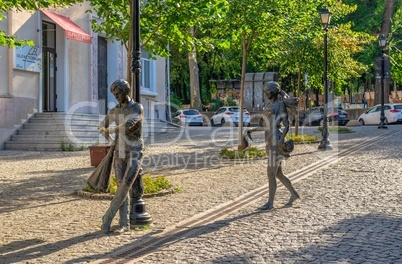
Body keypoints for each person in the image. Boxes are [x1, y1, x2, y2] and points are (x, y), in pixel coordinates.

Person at [242, 81, 299, 210]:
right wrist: (250, 130)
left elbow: (286, 124)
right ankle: (294, 194)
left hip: (276, 140)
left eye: (267, 91)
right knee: (278, 174)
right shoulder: (267, 105)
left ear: (273, 91)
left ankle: (270, 203)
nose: (265, 93)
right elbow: (263, 126)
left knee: (271, 173)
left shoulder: (280, 105)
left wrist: (282, 139)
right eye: (264, 91)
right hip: (268, 140)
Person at [98, 79, 145, 234]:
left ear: (127, 91)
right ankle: (124, 223)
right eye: (114, 94)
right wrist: (110, 139)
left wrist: (111, 131)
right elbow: (101, 126)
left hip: (135, 150)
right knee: (121, 186)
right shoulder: (114, 111)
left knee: (126, 184)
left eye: (118, 93)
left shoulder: (137, 107)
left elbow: (129, 124)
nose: (116, 96)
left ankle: (107, 218)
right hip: (119, 151)